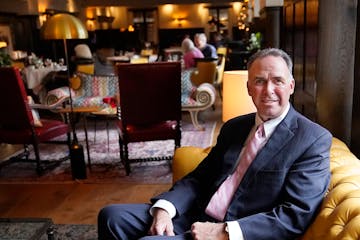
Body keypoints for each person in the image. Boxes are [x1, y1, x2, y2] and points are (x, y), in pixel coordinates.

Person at [97, 48, 332, 240]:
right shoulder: (235, 127)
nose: (268, 90)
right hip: (197, 214)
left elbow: (295, 214)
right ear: (249, 88)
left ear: (291, 86)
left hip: (237, 232)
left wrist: (224, 231)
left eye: (278, 81)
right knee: (111, 216)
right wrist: (165, 208)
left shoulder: (312, 139)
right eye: (259, 81)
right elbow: (200, 178)